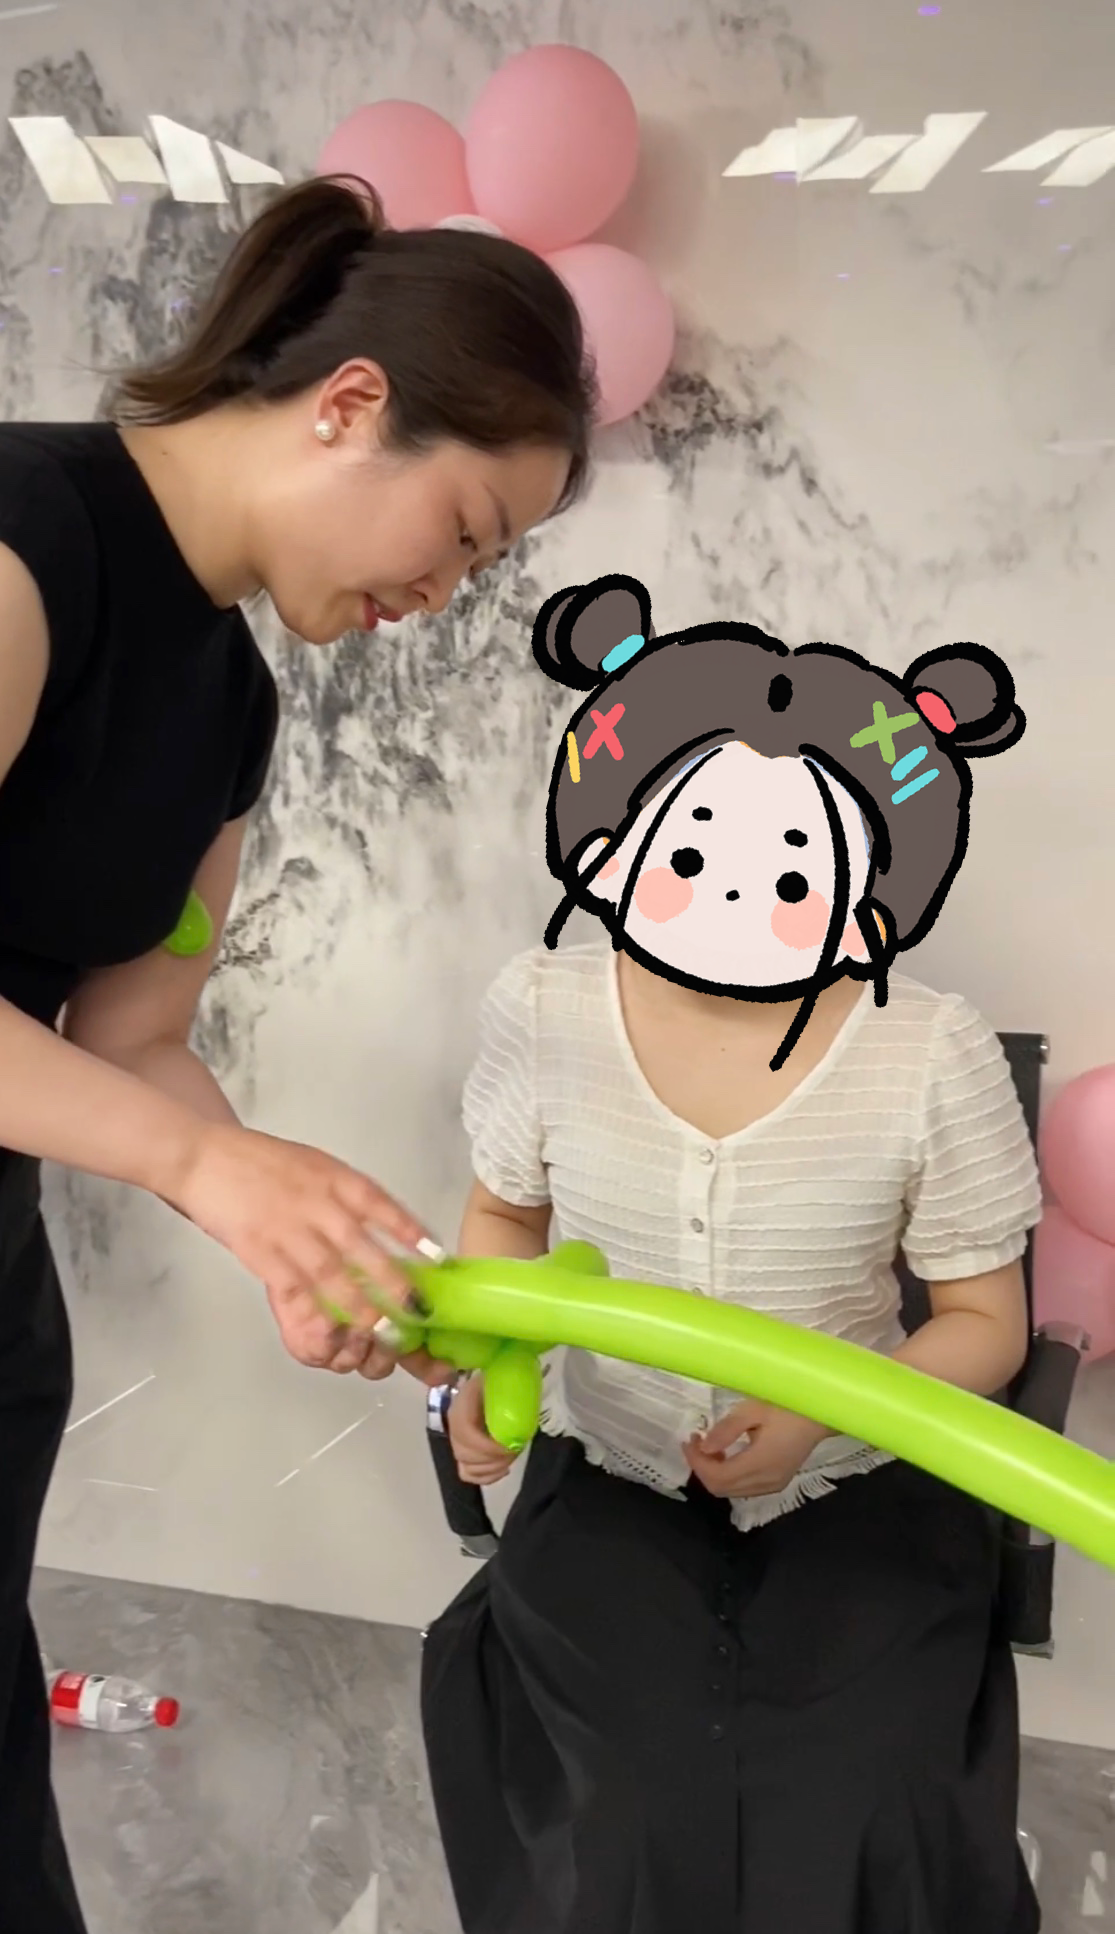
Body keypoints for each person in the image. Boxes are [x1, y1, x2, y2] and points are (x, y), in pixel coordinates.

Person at [0, 175, 594, 1932]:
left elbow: (134, 1033)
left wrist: (298, 1230)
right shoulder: (25, 539)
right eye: (466, 527)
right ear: (348, 404)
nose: (448, 589)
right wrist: (209, 1165)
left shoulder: (235, 706)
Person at [421, 577, 1044, 1934]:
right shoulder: (545, 1006)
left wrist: (820, 1414)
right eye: (692, 851)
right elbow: (504, 1227)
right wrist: (485, 1372)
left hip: (858, 1493)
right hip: (611, 1475)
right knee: (632, 1795)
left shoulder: (928, 1049)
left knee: (854, 1790)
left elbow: (985, 1322)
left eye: (789, 871)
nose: (729, 894)